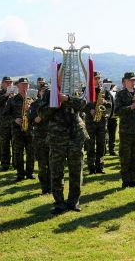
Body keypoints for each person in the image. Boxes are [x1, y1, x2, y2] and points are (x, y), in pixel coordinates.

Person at [38, 83, 89, 214]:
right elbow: (42, 113)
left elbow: (83, 104)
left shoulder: (76, 89)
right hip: (57, 137)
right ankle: (59, 203)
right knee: (56, 171)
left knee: (76, 170)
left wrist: (67, 99)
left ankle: (73, 202)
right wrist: (55, 103)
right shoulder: (50, 93)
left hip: (76, 136)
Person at [114, 72, 135, 188]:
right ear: (125, 81)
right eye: (131, 80)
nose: (133, 82)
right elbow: (117, 111)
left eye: (134, 80)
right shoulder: (120, 94)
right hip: (126, 130)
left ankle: (134, 179)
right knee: (125, 156)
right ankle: (125, 180)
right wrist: (130, 107)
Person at [2, 78, 35, 181]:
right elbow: (5, 115)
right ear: (18, 86)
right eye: (23, 85)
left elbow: (39, 113)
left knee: (31, 153)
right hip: (17, 130)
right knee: (18, 153)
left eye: (26, 84)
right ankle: (20, 174)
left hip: (30, 130)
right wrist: (14, 120)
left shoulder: (33, 100)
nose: (25, 87)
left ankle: (30, 173)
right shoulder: (12, 100)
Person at [84, 72, 112, 175]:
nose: (98, 80)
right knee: (90, 145)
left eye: (99, 78)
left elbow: (110, 105)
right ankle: (91, 167)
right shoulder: (86, 91)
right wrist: (89, 110)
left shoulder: (104, 91)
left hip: (102, 121)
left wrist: (104, 102)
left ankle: (100, 166)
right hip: (90, 121)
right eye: (96, 78)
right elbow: (81, 104)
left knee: (101, 145)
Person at [29, 82, 51, 194]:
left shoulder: (53, 104)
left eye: (47, 90)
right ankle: (44, 188)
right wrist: (36, 119)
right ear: (39, 92)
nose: (45, 92)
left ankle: (52, 187)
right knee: (42, 165)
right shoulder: (35, 104)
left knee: (52, 164)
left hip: (52, 137)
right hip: (40, 137)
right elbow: (30, 120)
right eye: (43, 90)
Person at [0, 76, 15, 171]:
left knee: (16, 146)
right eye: (6, 82)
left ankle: (16, 164)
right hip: (3, 124)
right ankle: (5, 164)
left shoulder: (16, 94)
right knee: (4, 145)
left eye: (10, 82)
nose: (9, 84)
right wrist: (6, 95)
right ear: (2, 84)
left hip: (14, 124)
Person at [106, 80, 118, 156]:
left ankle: (112, 149)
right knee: (104, 134)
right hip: (105, 116)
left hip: (113, 116)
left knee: (112, 134)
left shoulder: (115, 93)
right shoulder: (103, 93)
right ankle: (104, 149)